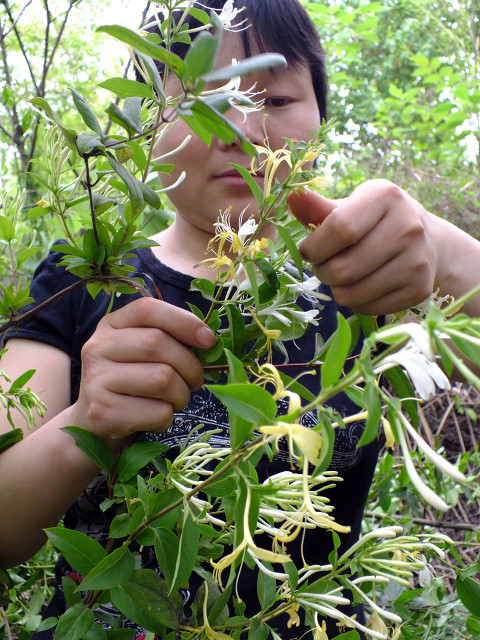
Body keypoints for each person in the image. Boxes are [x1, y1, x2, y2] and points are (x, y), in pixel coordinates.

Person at [1, 0, 480, 638]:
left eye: (277, 100)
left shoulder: (370, 281)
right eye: (202, 98)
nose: (241, 127)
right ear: (149, 122)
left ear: (320, 118)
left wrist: (448, 257)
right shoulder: (84, 275)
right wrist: (86, 422)